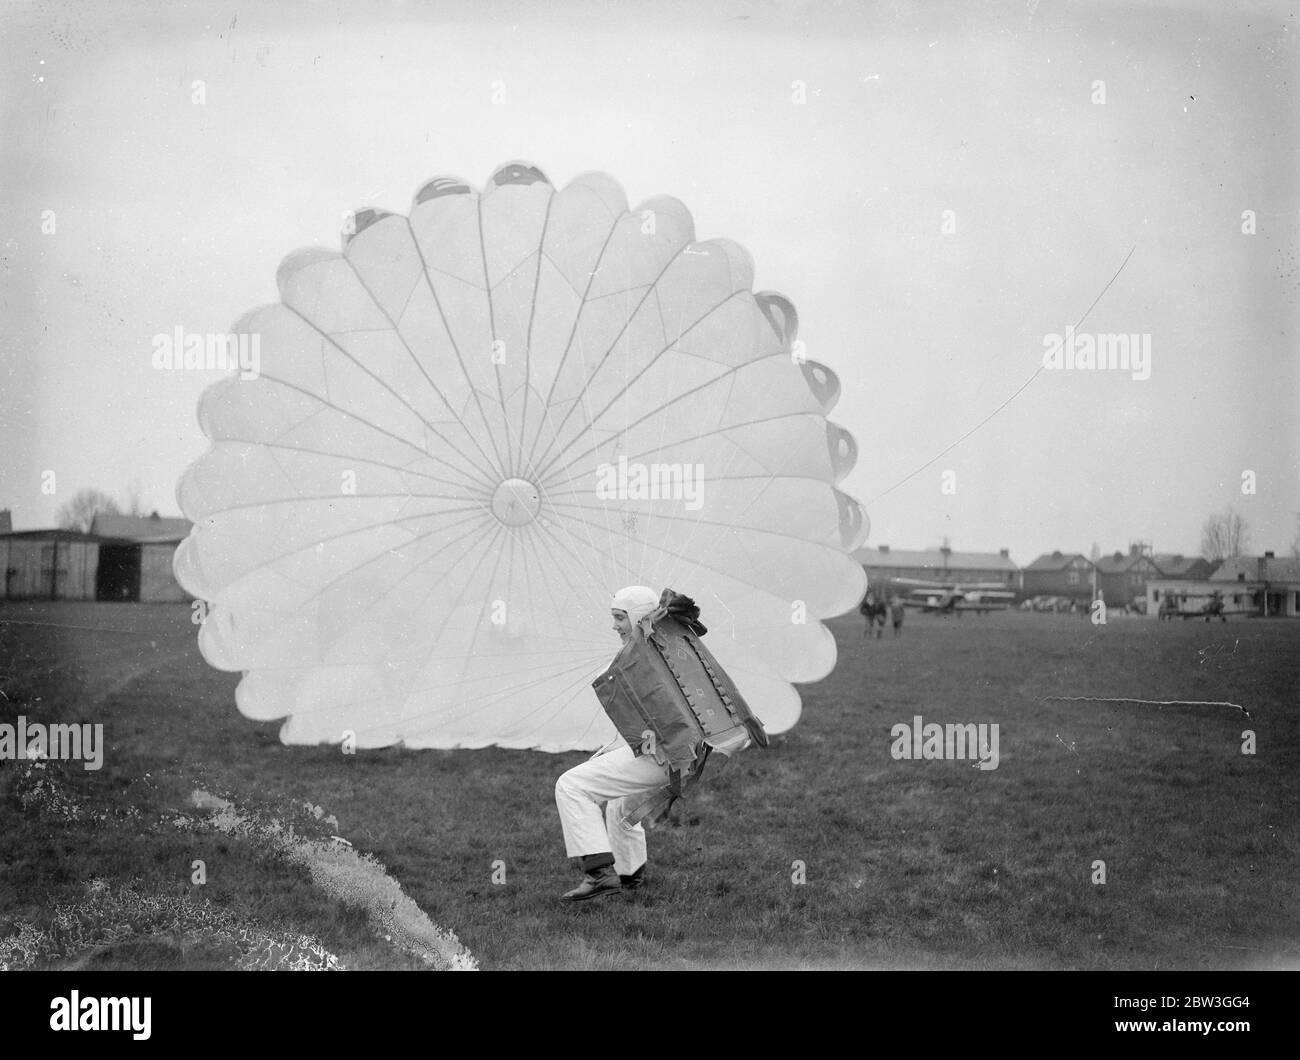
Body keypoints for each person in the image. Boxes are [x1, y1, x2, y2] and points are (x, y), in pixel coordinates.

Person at [553, 585, 767, 902]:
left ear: (638, 618)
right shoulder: (666, 648)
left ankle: (599, 874)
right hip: (678, 753)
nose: (614, 626)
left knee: (570, 785)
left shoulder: (646, 658)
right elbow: (650, 718)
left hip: (669, 756)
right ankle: (631, 878)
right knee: (621, 807)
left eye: (619, 618)